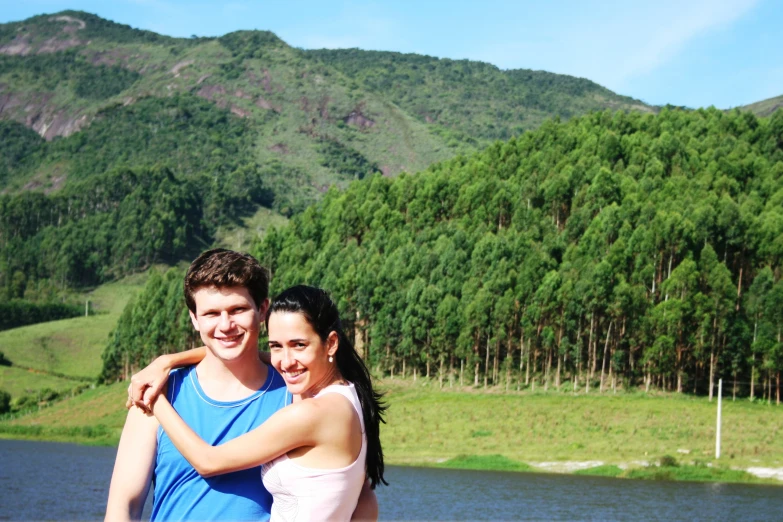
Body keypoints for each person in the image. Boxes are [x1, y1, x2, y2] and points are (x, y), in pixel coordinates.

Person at [105, 249, 378, 521]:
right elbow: (124, 507)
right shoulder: (160, 392)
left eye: (237, 309)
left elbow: (359, 494)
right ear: (194, 319)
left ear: (262, 310)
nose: (225, 325)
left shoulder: (298, 392)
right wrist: (166, 363)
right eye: (211, 313)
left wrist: (158, 381)